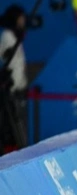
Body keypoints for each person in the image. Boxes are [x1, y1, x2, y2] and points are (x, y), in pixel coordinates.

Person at [0, 4, 28, 152]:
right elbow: (5, 57)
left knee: (21, 124)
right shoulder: (7, 36)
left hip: (19, 89)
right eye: (21, 18)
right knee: (11, 128)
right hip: (11, 91)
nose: (23, 21)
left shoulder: (16, 37)